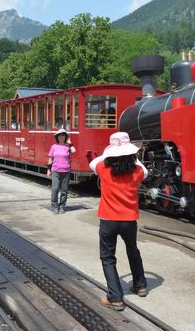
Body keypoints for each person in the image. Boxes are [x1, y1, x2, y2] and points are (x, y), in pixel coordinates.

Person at [89, 132, 149, 311]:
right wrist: (132, 156)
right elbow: (144, 170)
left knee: (108, 257)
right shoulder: (137, 171)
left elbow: (92, 162)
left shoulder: (103, 169)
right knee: (133, 250)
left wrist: (110, 151)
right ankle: (140, 285)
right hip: (129, 220)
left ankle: (115, 297)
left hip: (109, 220)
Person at [47, 128, 75, 214]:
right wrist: (48, 170)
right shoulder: (54, 146)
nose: (62, 137)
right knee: (55, 189)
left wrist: (70, 143)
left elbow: (74, 151)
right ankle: (55, 206)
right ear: (57, 137)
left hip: (66, 171)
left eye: (63, 135)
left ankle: (62, 206)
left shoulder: (68, 146)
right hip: (55, 170)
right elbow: (50, 159)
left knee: (64, 190)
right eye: (60, 135)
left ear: (66, 137)